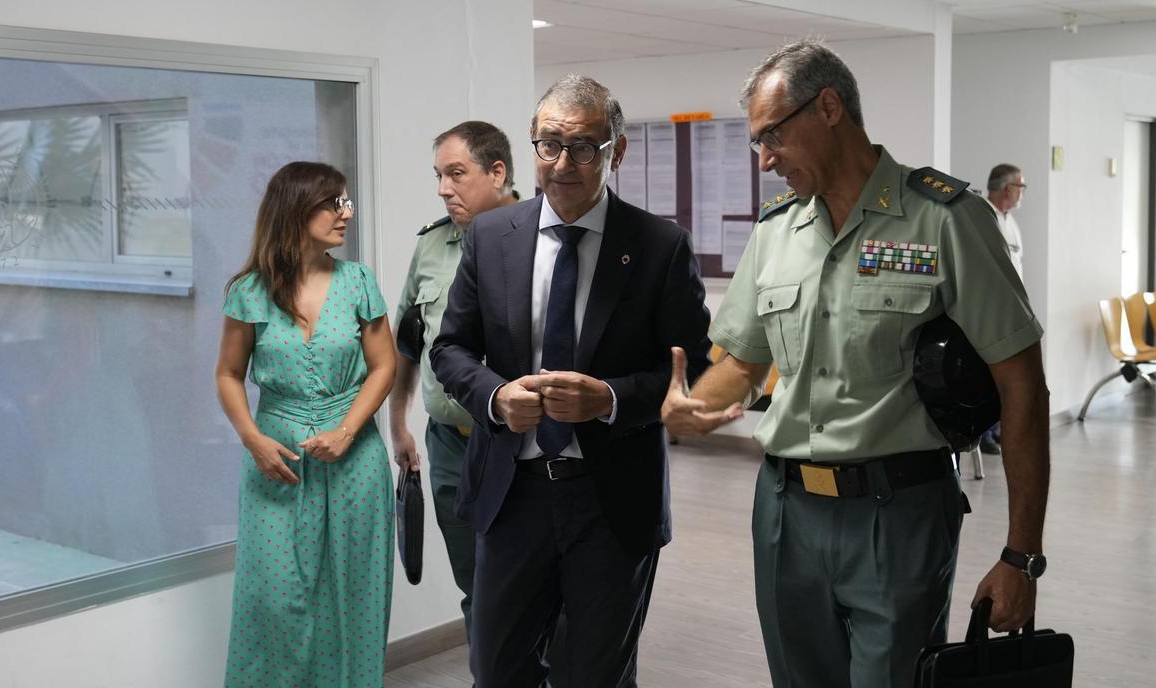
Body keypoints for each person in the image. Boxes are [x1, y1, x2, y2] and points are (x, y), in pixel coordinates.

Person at [662, 40, 1051, 688]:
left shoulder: (945, 220)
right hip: (786, 514)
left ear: (829, 108)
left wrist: (1022, 555)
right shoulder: (774, 233)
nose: (763, 161)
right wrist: (693, 407)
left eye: (773, 137)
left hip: (898, 512)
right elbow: (746, 364)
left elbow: (1023, 385)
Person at [431, 75, 712, 688]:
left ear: (617, 151)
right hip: (513, 492)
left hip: (611, 501)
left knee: (595, 675)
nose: (563, 163)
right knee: (497, 670)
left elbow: (694, 365)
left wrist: (610, 399)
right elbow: (450, 348)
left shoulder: (660, 246)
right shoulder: (490, 237)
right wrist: (496, 397)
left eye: (584, 147)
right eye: (549, 144)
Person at [216, 161, 410, 687]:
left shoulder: (358, 281)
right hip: (274, 460)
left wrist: (347, 430)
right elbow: (229, 375)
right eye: (333, 203)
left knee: (354, 595)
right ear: (296, 209)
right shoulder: (249, 291)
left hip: (354, 459)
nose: (345, 213)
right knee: (275, 599)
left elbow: (384, 365)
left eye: (346, 202)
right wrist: (253, 439)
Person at [390, 120, 519, 639]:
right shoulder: (432, 246)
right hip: (448, 446)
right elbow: (408, 341)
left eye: (457, 174)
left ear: (497, 172)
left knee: (530, 582)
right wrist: (398, 422)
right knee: (476, 583)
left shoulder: (543, 236)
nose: (444, 188)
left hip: (520, 444)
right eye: (439, 175)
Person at [979, 163, 1028, 455]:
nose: (1023, 193)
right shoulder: (984, 217)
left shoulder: (1009, 219)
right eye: (1021, 186)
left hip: (1013, 309)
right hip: (993, 311)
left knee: (1009, 376)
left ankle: (997, 429)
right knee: (990, 376)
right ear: (1008, 189)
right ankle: (985, 432)